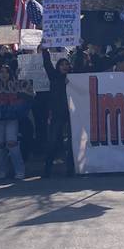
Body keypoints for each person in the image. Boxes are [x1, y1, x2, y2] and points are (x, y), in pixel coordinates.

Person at [42, 48, 74, 178]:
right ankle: (47, 170)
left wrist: (80, 47)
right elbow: (47, 63)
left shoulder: (73, 78)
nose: (65, 66)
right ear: (58, 67)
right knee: (52, 142)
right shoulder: (54, 76)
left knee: (71, 143)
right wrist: (45, 49)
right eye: (62, 64)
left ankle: (70, 170)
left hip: (71, 114)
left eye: (67, 64)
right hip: (57, 114)